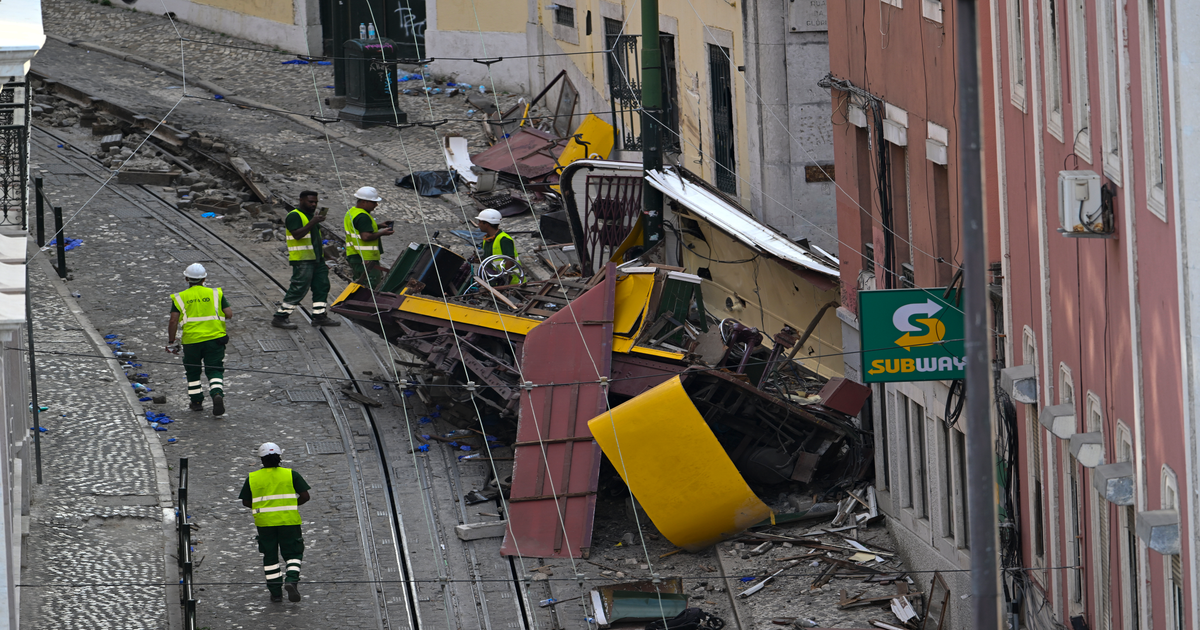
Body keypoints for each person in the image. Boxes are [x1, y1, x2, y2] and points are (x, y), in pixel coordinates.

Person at [240, 442, 311, 603]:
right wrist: (290, 505)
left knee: (270, 556)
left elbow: (245, 501)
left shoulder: (253, 478)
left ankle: (276, 593)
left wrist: (261, 507)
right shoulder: (291, 474)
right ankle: (291, 580)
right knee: (293, 554)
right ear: (279, 457)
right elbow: (305, 496)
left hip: (265, 524)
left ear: (261, 460)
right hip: (289, 521)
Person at [166, 263, 231, 417]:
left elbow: (173, 321)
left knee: (193, 371)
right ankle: (217, 393)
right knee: (214, 369)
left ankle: (196, 402)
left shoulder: (180, 297)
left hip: (191, 341)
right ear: (204, 278)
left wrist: (171, 341)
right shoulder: (216, 294)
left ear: (187, 278)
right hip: (215, 339)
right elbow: (229, 314)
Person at [272, 191, 341, 329]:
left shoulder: (311, 217)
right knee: (299, 288)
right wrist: (313, 222)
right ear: (301, 200)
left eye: (315, 202)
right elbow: (297, 234)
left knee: (322, 286)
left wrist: (327, 256)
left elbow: (316, 240)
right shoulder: (294, 216)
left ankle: (319, 316)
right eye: (310, 202)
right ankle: (280, 317)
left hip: (317, 259)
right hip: (303, 260)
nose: (314, 204)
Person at [343, 186, 393, 288]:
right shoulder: (363, 217)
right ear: (364, 202)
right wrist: (382, 233)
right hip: (365, 259)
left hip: (354, 254)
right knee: (371, 286)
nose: (376, 205)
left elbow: (360, 229)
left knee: (359, 284)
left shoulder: (352, 212)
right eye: (373, 202)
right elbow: (365, 236)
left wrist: (379, 226)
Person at [474, 208, 521, 285]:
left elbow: (510, 260)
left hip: (511, 283)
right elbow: (490, 259)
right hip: (494, 280)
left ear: (487, 224)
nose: (478, 225)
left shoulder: (504, 239)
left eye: (480, 222)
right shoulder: (487, 239)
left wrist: (504, 280)